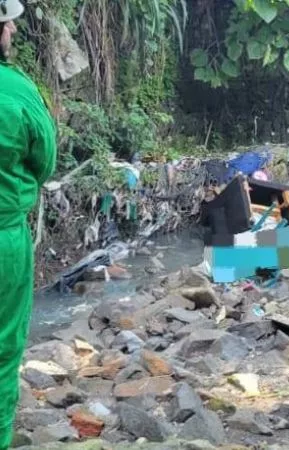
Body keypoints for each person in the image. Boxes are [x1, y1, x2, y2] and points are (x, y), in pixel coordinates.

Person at [0, 0, 58, 447]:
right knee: (1, 352)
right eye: (7, 24)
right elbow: (44, 163)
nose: (13, 31)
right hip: (4, 243)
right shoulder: (17, 91)